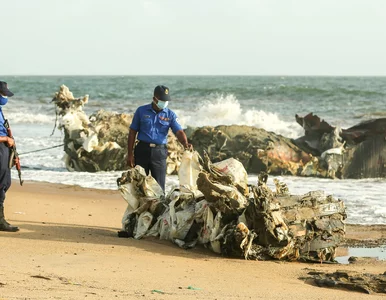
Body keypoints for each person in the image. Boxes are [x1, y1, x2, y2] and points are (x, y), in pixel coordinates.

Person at [127, 85, 191, 192]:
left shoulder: (170, 114)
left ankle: (159, 208)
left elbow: (178, 131)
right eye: (162, 100)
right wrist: (130, 154)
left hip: (159, 152)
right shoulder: (141, 111)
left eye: (166, 100)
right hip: (142, 150)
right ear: (154, 99)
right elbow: (132, 132)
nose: (164, 103)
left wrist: (185, 143)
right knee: (139, 186)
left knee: (159, 189)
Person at [0, 81, 18, 232]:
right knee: (2, 183)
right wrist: (5, 139)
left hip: (4, 148)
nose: (4, 97)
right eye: (2, 94)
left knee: (5, 182)